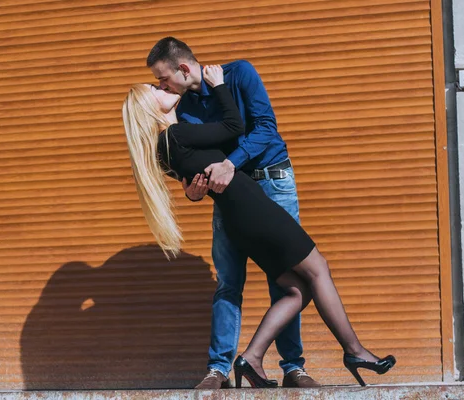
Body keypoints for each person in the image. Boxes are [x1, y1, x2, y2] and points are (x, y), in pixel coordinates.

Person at [121, 65, 396, 388]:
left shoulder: (161, 151)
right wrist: (220, 86)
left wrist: (193, 193)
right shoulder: (177, 134)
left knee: (296, 290)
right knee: (318, 270)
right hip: (256, 210)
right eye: (155, 90)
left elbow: (195, 182)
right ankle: (354, 351)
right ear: (148, 107)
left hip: (240, 218)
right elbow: (234, 126)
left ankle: (251, 358)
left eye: (161, 83)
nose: (162, 88)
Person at [146, 36, 316, 389]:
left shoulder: (239, 74)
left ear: (183, 68)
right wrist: (191, 190)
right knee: (228, 281)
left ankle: (292, 367)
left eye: (163, 79)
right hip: (232, 195)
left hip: (272, 181)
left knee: (284, 279)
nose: (160, 86)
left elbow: (266, 129)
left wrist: (229, 164)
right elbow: (190, 161)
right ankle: (219, 369)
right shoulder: (183, 109)